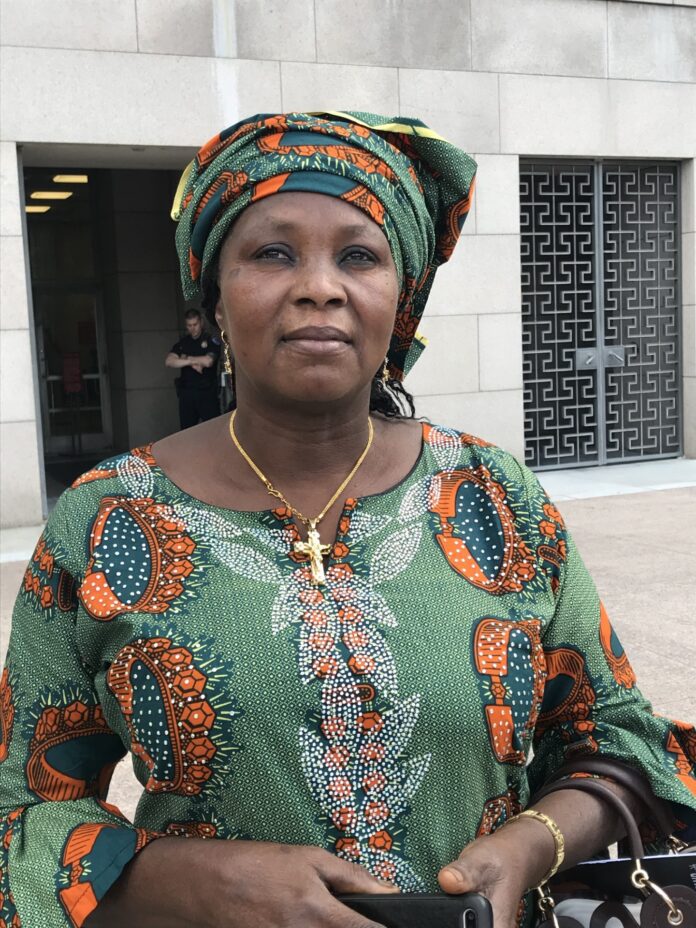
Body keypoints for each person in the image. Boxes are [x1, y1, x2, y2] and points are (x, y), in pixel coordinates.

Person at [1, 112, 695, 928]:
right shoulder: (104, 518)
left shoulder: (494, 494)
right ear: (213, 296)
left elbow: (613, 735)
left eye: (359, 256)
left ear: (398, 301)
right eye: (272, 252)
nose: (320, 286)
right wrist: (196, 882)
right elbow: (21, 810)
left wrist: (529, 846)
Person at [165, 307, 221, 429]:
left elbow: (208, 361)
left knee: (213, 430)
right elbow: (169, 361)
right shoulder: (183, 343)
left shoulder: (210, 340)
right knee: (186, 431)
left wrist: (185, 358)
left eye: (195, 324)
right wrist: (192, 362)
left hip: (207, 393)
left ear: (201, 322)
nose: (192, 328)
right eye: (189, 325)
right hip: (187, 394)